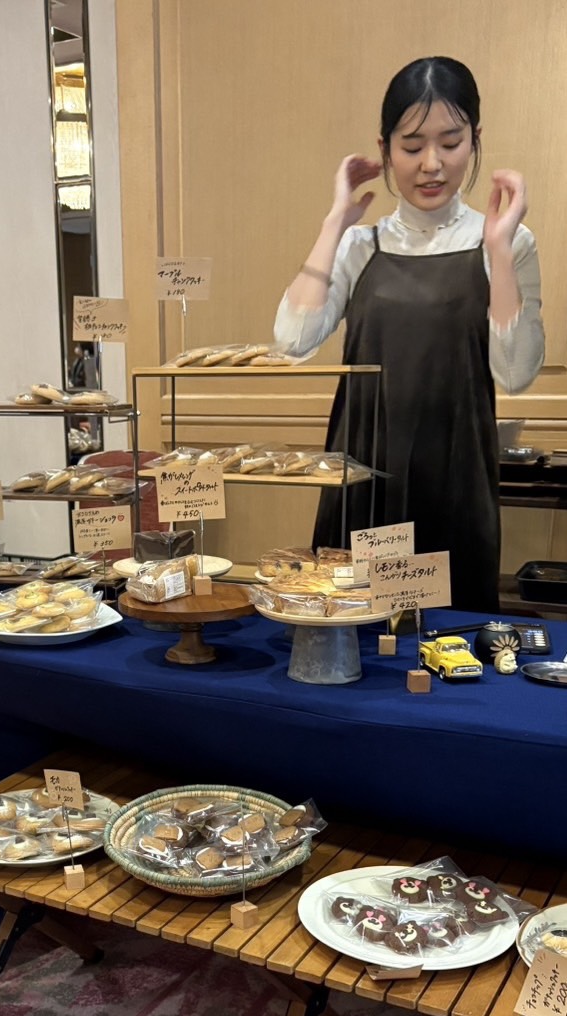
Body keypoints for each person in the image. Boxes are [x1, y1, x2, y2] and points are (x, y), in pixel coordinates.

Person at [273, 56, 544, 611]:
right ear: (385, 148)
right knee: (355, 639)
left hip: (456, 485)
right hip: (363, 484)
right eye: (412, 145)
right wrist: (334, 223)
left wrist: (498, 250)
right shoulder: (359, 245)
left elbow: (516, 374)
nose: (432, 164)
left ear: (475, 140)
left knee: (449, 643)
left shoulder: (509, 242)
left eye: (451, 142)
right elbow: (292, 340)